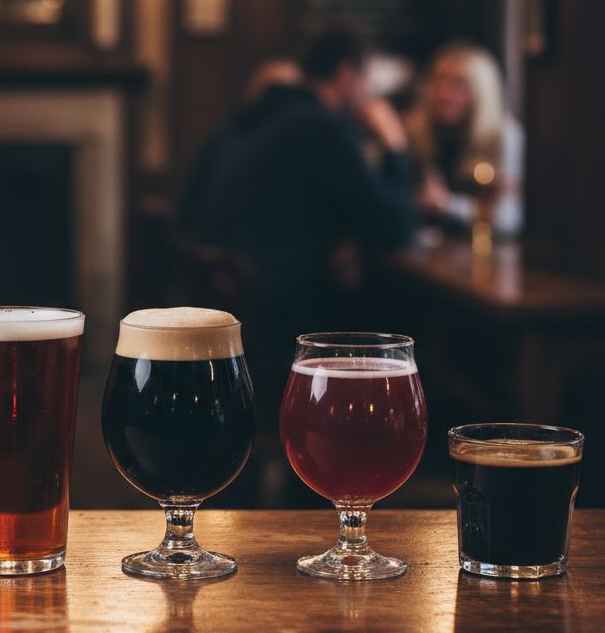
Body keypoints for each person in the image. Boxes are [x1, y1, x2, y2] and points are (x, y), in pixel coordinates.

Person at [178, 29, 414, 406]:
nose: (370, 95)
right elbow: (394, 229)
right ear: (347, 74)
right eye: (367, 81)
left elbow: (189, 212)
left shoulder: (243, 120)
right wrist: (395, 145)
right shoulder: (323, 127)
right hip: (279, 318)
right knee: (394, 310)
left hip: (228, 303)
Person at [409, 41, 524, 236]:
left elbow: (510, 216)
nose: (443, 94)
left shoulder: (504, 136)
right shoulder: (422, 132)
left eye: (458, 84)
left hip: (490, 254)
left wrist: (450, 205)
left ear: (482, 92)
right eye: (438, 81)